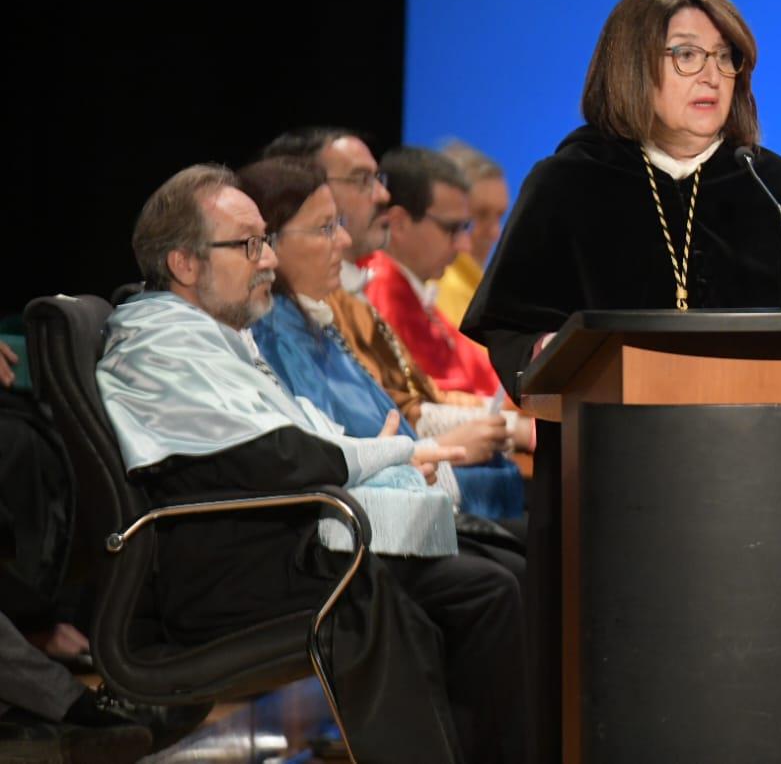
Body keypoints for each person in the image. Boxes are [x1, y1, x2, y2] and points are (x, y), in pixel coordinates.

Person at [460, 0, 781, 761]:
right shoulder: (570, 182)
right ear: (630, 66)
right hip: (612, 487)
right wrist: (549, 358)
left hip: (767, 482)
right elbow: (511, 327)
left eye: (725, 59)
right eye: (684, 55)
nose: (710, 76)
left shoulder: (768, 185)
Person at [96, 164, 528, 763]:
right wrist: (398, 452)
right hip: (233, 569)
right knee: (466, 589)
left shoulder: (214, 335)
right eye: (249, 245)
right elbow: (280, 458)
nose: (266, 260)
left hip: (282, 543)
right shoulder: (160, 346)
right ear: (184, 264)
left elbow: (299, 440)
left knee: (484, 583)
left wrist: (386, 460)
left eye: (266, 243)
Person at [237, 156, 527, 525]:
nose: (381, 195)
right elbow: (341, 455)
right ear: (270, 242)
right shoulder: (278, 330)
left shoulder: (319, 315)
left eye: (338, 224)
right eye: (326, 227)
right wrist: (444, 448)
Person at [261, 128, 528, 455]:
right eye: (361, 179)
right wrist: (508, 428)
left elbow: (416, 399)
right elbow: (388, 424)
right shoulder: (282, 322)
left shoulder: (350, 298)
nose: (383, 196)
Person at [364, 146, 506, 400]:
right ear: (398, 223)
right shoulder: (382, 291)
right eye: (452, 228)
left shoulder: (412, 290)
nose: (463, 244)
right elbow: (419, 404)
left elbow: (488, 380)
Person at [435, 139, 511, 329]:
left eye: (500, 216)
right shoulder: (440, 291)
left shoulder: (484, 293)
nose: (495, 232)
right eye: (481, 214)